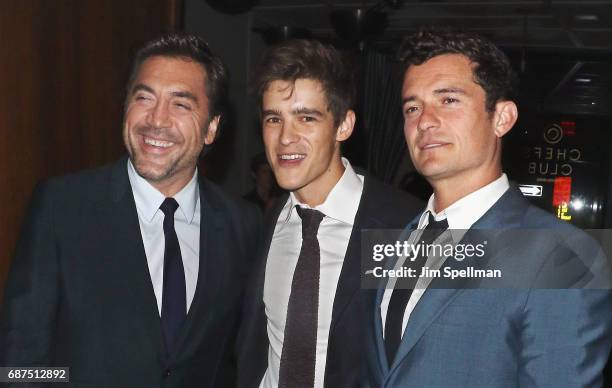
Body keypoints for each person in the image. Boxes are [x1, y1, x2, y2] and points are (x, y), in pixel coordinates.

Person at [0, 32, 260, 387]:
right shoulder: (62, 208)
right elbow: (21, 363)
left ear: (211, 128)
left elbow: (236, 361)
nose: (156, 120)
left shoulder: (242, 225)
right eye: (143, 98)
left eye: (180, 104)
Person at [366, 30, 612, 387]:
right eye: (412, 107)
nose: (425, 121)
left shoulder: (565, 255)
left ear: (502, 118)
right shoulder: (398, 235)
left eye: (448, 100)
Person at [236, 39, 422, 388]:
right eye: (274, 118)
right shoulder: (269, 220)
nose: (285, 138)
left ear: (343, 126)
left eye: (306, 118)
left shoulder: (401, 227)